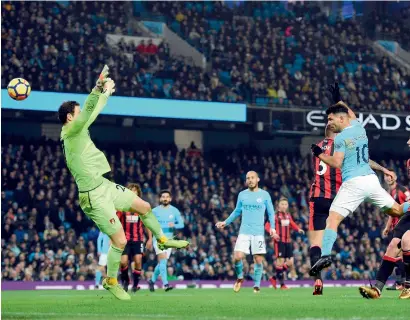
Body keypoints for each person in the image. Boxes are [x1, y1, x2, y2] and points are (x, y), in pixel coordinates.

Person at [58, 65, 189, 300]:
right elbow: (89, 110)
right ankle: (110, 281)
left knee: (145, 207)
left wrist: (105, 93)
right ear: (70, 117)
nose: (81, 115)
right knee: (120, 240)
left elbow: (92, 111)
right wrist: (98, 87)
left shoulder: (78, 128)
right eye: (77, 112)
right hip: (93, 196)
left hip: (106, 186)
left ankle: (163, 239)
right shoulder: (70, 132)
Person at [309, 83, 409, 277]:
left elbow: (337, 163)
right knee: (397, 209)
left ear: (340, 119)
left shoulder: (340, 139)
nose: (329, 123)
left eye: (331, 120)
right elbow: (350, 113)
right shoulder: (358, 127)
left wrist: (319, 154)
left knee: (333, 219)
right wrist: (338, 99)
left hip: (353, 184)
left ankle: (326, 255)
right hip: (371, 181)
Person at [359, 139, 410, 300]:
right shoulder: (408, 162)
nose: (408, 142)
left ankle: (407, 285)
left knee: (407, 241)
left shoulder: (401, 190)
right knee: (393, 246)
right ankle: (377, 289)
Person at [216, 171, 279, 293]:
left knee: (258, 260)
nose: (250, 180)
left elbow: (271, 212)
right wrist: (225, 222)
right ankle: (240, 278)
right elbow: (237, 211)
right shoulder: (242, 195)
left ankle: (256, 285)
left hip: (258, 232)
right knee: (237, 257)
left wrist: (273, 227)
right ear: (246, 181)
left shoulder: (265, 195)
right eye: (248, 178)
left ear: (258, 179)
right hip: (244, 230)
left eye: (252, 178)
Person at [308, 125, 341, 295]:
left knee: (315, 243)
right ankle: (328, 254)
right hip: (337, 197)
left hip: (318, 197)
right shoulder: (342, 146)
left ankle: (318, 280)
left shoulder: (318, 147)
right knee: (332, 226)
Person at [117, 183, 153, 293]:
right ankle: (126, 281)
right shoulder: (122, 206)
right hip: (124, 240)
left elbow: (148, 224)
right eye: (131, 190)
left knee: (138, 261)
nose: (133, 192)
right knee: (123, 262)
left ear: (138, 193)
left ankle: (135, 285)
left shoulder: (142, 206)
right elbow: (116, 223)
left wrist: (150, 238)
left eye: (135, 190)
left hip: (138, 239)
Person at [148, 190, 185, 292]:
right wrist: (150, 239)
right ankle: (166, 284)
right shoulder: (154, 211)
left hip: (169, 240)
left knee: (161, 263)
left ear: (170, 199)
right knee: (163, 261)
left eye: (167, 197)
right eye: (163, 197)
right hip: (159, 239)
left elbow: (182, 224)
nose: (165, 198)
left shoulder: (175, 211)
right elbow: (149, 225)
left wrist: (175, 225)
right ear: (160, 199)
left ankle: (152, 280)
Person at [266, 197, 304, 290]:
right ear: (278, 205)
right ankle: (282, 285)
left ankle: (274, 278)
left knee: (290, 262)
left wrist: (298, 229)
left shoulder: (287, 215)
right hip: (279, 242)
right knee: (280, 262)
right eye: (282, 204)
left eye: (285, 204)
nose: (284, 206)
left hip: (288, 241)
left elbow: (291, 223)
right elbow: (267, 226)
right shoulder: (275, 215)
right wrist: (273, 233)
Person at [382, 170, 409, 291]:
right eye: (386, 175)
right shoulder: (390, 192)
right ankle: (401, 282)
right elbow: (393, 212)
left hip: (404, 226)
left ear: (396, 177)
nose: (388, 178)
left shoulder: (402, 190)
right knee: (397, 254)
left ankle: (401, 282)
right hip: (396, 226)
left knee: (399, 254)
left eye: (390, 175)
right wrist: (388, 227)